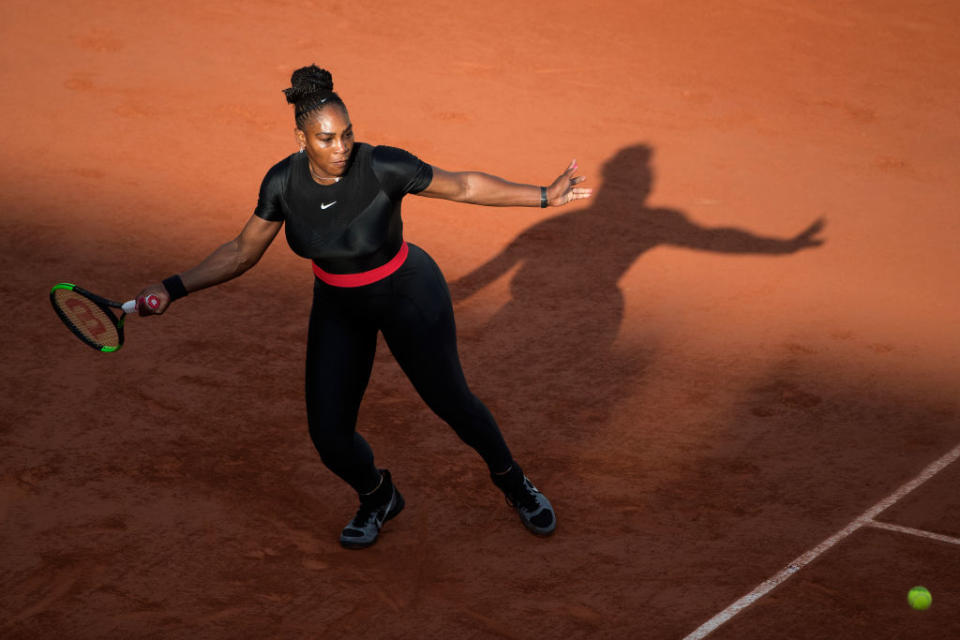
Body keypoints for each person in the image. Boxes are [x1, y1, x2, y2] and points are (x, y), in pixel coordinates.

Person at [135, 65, 592, 549]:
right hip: (338, 306)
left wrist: (544, 196)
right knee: (329, 436)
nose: (341, 149)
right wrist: (171, 288)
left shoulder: (382, 166)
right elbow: (242, 250)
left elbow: (462, 186)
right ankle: (378, 496)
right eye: (327, 139)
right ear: (301, 139)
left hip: (408, 293)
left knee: (453, 404)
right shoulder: (282, 184)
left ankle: (514, 482)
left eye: (347, 135)